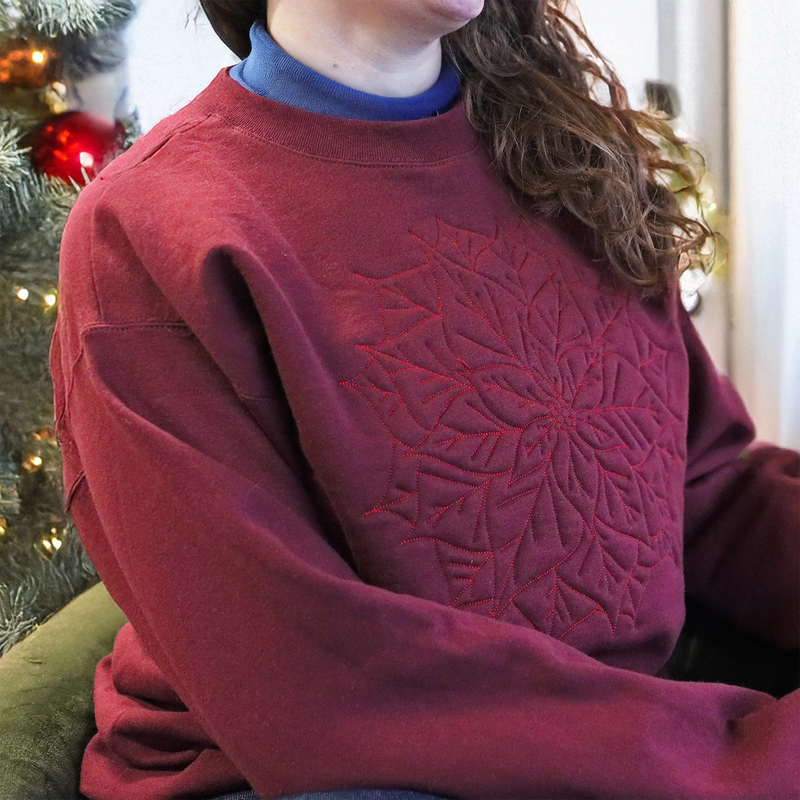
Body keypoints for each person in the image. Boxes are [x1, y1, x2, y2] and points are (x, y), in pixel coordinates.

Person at [50, 0, 800, 798]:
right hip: (313, 777)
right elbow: (307, 691)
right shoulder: (149, 228)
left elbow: (701, 491)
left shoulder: (572, 157)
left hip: (611, 748)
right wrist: (742, 759)